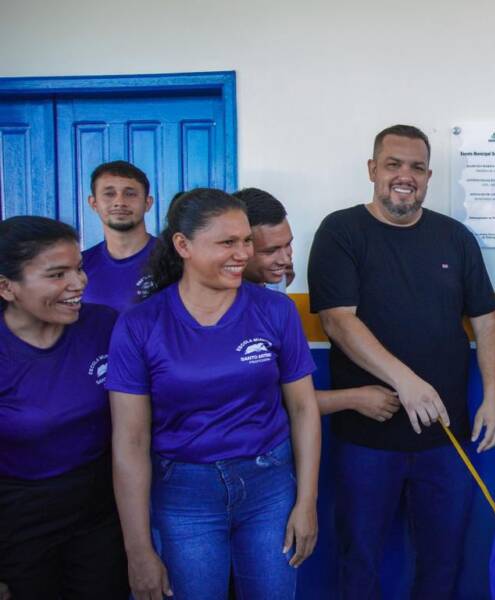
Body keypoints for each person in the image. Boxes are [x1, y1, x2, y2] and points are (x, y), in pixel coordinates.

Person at [307, 124, 495, 599]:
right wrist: (406, 382)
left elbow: (486, 322)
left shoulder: (455, 237)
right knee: (359, 562)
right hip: (366, 439)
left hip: (445, 437)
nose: (405, 176)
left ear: (429, 176)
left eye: (417, 167)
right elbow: (337, 321)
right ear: (372, 169)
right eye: (393, 164)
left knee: (443, 563)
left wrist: (493, 398)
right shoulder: (340, 231)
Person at [107, 188, 322, 600]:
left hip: (269, 486)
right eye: (227, 242)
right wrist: (138, 550)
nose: (242, 254)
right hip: (184, 495)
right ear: (183, 245)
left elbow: (303, 408)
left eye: (246, 241)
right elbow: (130, 443)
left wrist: (306, 501)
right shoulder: (140, 325)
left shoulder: (275, 311)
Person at [0, 216, 129, 599]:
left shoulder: (103, 326)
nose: (78, 283)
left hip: (100, 507)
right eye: (57, 275)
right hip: (19, 517)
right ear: (6, 287)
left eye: (79, 268)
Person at [238, 186, 402, 422]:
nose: (286, 258)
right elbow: (274, 400)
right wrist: (356, 398)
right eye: (271, 250)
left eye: (288, 245)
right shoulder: (229, 309)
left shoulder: (277, 298)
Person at [82, 160, 157, 311]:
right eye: (109, 194)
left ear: (147, 203)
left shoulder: (174, 259)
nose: (120, 202)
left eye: (130, 194)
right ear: (93, 203)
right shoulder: (80, 266)